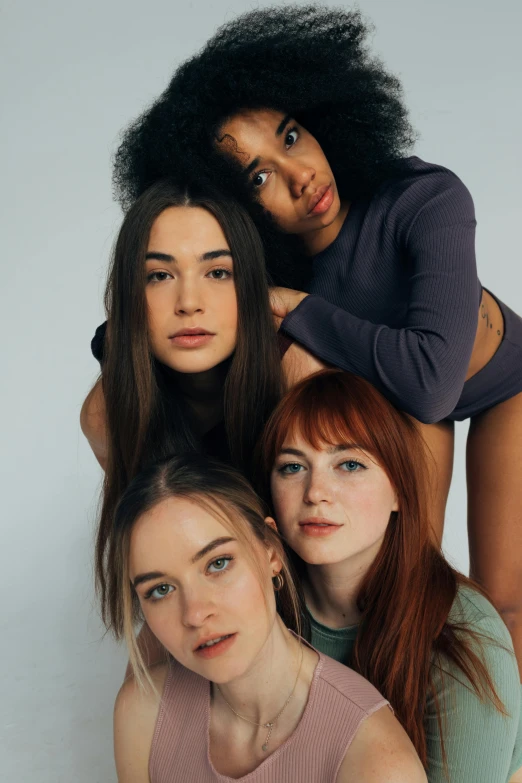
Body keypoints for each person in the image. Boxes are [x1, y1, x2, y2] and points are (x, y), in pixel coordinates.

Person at [106, 5, 522, 672]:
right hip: (407, 409)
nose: (300, 176)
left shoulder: (425, 198)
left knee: (502, 608)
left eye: (291, 136)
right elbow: (156, 319)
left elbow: (432, 380)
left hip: (501, 387)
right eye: (259, 177)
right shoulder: (267, 268)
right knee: (404, 593)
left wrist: (298, 309)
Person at [258, 369, 522, 783]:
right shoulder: (257, 608)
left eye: (349, 464)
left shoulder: (467, 634)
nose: (315, 491)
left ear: (400, 490)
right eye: (292, 467)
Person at [109, 454, 426, 782]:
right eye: (161, 589)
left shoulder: (375, 759)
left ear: (271, 552)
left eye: (218, 563)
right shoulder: (143, 713)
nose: (195, 613)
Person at [80, 179, 296, 628]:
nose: (189, 303)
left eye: (218, 272)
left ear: (252, 285)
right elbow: (162, 557)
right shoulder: (108, 415)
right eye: (159, 276)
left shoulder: (297, 372)